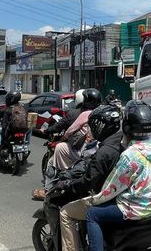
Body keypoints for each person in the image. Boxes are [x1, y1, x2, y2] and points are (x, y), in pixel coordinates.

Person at [84, 100, 151, 251]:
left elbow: (112, 187)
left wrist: (94, 200)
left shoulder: (130, 154)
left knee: (92, 214)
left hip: (137, 207)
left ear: (127, 126)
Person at [57, 105, 126, 251]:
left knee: (65, 213)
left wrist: (69, 184)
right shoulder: (121, 141)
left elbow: (88, 181)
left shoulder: (105, 151)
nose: (92, 129)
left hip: (108, 198)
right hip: (121, 195)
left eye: (94, 126)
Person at [33, 88, 102, 200]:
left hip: (82, 152)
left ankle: (47, 190)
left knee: (56, 153)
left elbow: (68, 131)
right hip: (97, 151)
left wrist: (61, 138)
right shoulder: (101, 113)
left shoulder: (81, 114)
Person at [0, 91, 28, 170]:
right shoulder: (22, 108)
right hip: (22, 132)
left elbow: (3, 124)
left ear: (10, 99)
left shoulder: (7, 110)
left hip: (9, 133)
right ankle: (24, 155)